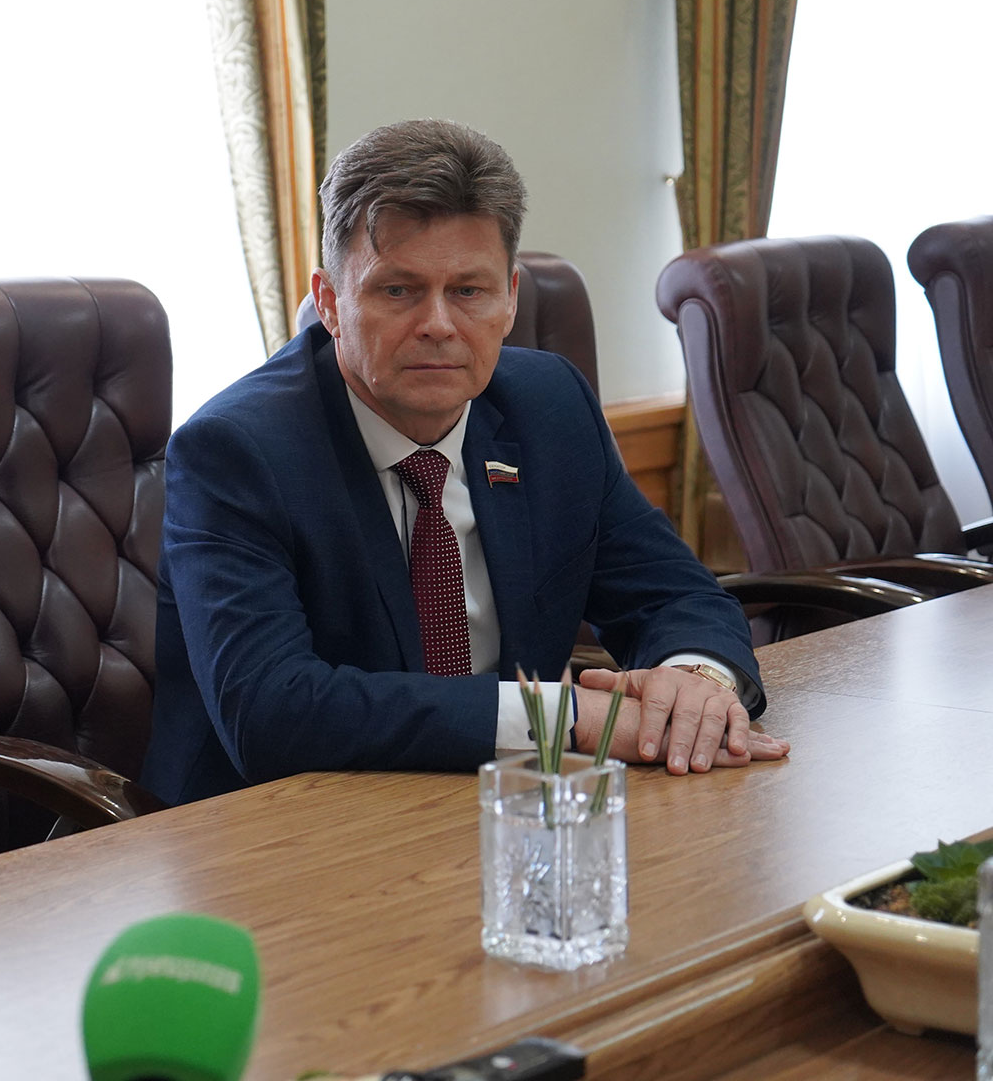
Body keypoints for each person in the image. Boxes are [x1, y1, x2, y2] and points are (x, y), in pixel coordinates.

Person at [141, 118, 790, 806]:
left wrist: (694, 684)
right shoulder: (236, 452)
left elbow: (672, 594)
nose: (438, 325)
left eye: (468, 291)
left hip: (504, 806)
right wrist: (564, 719)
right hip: (279, 826)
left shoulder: (550, 408)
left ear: (510, 299)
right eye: (398, 290)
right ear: (330, 302)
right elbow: (272, 712)